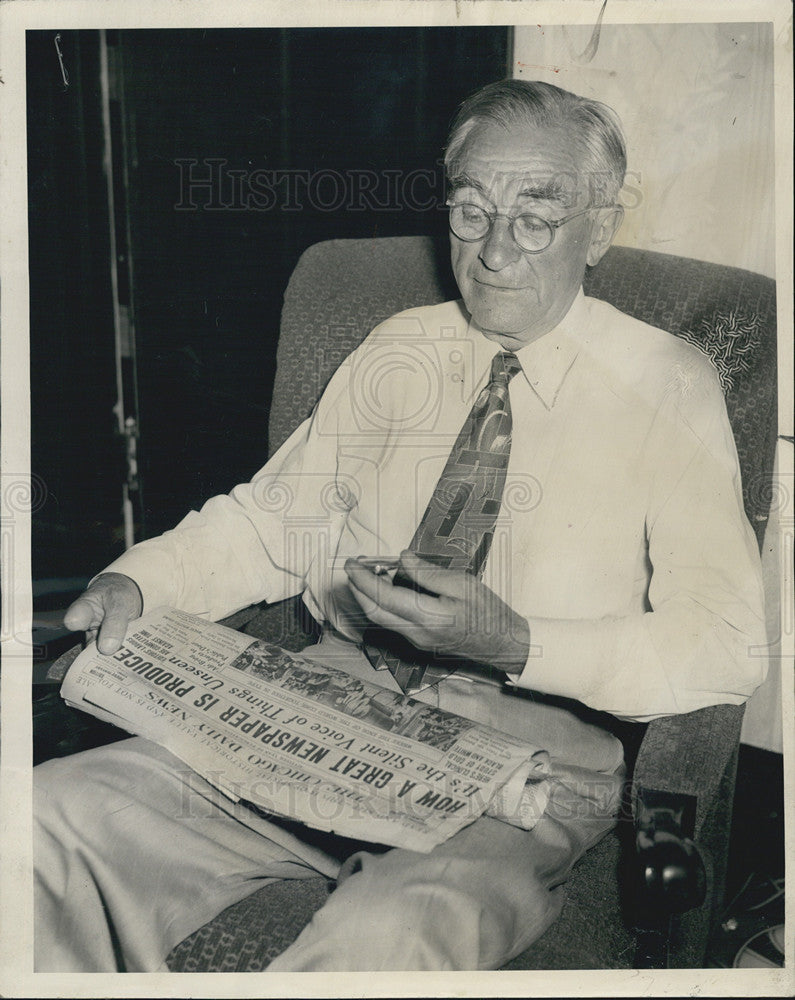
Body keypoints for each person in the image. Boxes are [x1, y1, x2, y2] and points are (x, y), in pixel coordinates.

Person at [34, 79, 767, 972]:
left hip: (529, 755)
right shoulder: (399, 346)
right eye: (469, 211)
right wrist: (139, 581)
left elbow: (727, 644)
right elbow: (272, 526)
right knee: (37, 823)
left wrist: (517, 641)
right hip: (327, 708)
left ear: (600, 227)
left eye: (534, 218)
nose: (494, 252)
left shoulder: (668, 384)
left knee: (388, 938)